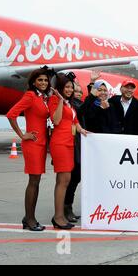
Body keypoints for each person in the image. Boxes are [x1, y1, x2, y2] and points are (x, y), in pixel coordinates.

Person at [6, 67, 52, 231]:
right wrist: (22, 135)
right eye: (40, 80)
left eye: (46, 80)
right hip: (32, 143)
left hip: (41, 144)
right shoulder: (30, 96)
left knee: (37, 181)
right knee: (33, 182)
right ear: (33, 82)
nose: (43, 83)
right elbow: (11, 114)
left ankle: (29, 217)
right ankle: (30, 220)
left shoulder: (43, 98)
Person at [49, 74, 88, 229]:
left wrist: (82, 130)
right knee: (62, 181)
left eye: (71, 87)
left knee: (65, 180)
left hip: (69, 144)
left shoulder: (69, 104)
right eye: (67, 87)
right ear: (60, 88)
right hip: (60, 143)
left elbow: (75, 121)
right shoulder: (55, 100)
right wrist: (59, 100)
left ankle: (60, 215)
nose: (70, 89)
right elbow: (56, 120)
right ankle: (58, 217)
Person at [64, 81, 86, 223]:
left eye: (79, 91)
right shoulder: (72, 105)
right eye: (75, 90)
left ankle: (67, 206)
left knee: (76, 178)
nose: (77, 93)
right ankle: (65, 208)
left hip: (80, 145)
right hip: (70, 146)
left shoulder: (78, 105)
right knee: (70, 179)